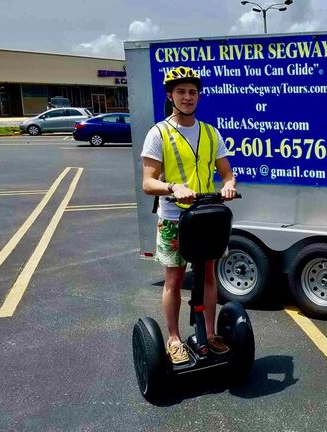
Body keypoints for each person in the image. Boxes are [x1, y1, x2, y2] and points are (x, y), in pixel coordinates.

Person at [140, 66, 238, 365]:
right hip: (174, 218)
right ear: (170, 95)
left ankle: (209, 334)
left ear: (199, 96)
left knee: (209, 276)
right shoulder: (158, 133)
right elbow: (148, 183)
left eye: (192, 92)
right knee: (175, 278)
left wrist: (230, 186)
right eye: (181, 92)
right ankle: (173, 339)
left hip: (207, 217)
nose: (187, 97)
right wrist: (173, 187)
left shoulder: (210, 132)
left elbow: (227, 173)